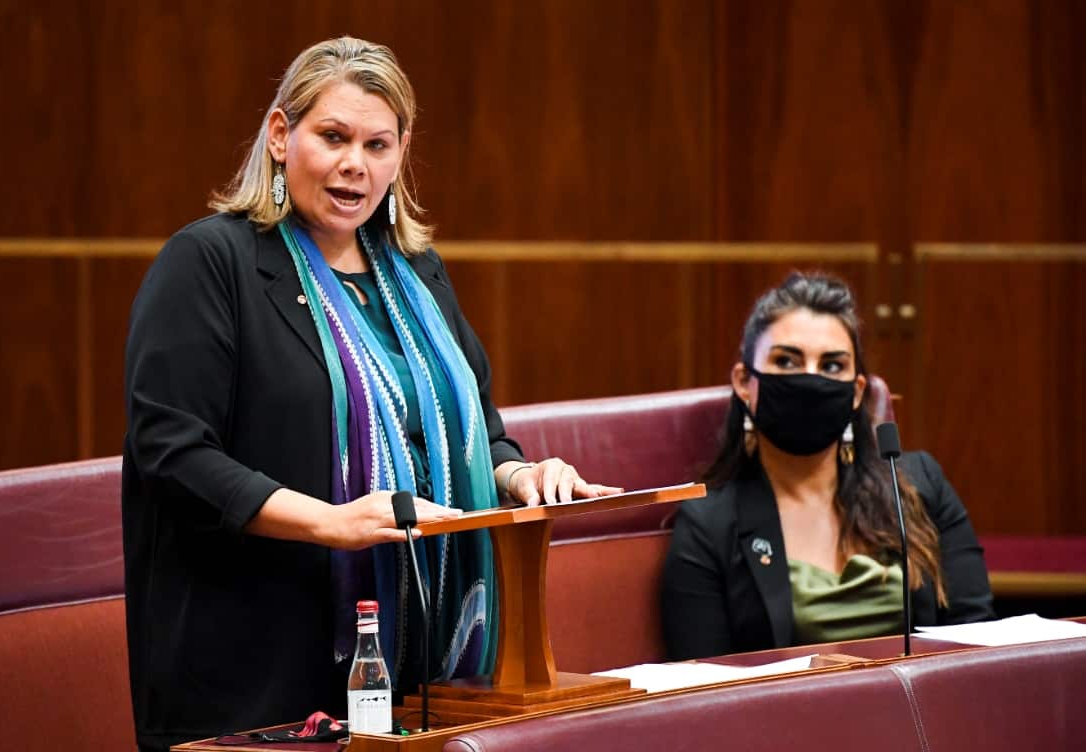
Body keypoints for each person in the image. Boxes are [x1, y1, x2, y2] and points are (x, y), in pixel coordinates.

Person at [121, 37, 619, 751]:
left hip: (421, 677)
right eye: (333, 137)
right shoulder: (210, 263)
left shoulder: (416, 272)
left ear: (402, 151)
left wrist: (519, 474)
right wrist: (330, 522)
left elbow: (473, 422)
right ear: (280, 136)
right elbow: (171, 456)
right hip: (256, 678)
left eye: (377, 144)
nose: (356, 164)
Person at [661, 272, 994, 660]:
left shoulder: (918, 485)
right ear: (743, 382)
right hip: (782, 719)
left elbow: (977, 640)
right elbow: (702, 686)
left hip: (925, 714)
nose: (811, 378)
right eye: (787, 361)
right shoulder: (710, 524)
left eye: (832, 366)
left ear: (856, 392)